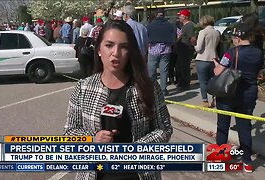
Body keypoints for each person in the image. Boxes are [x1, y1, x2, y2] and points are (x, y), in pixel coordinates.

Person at [64, 20, 172, 180]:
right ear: (99, 49)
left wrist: (136, 149)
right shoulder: (83, 87)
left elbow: (164, 129)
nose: (116, 53)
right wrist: (92, 141)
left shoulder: (148, 86)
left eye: (124, 47)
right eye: (109, 45)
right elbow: (69, 133)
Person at [213, 22, 264, 173]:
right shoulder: (258, 53)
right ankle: (247, 162)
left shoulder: (231, 52)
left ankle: (220, 158)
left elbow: (217, 72)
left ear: (238, 38)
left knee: (222, 128)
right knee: (245, 128)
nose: (233, 40)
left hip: (228, 95)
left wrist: (215, 63)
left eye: (234, 37)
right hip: (248, 95)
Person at [146, 8, 177, 96]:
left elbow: (146, 36)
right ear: (164, 15)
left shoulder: (150, 25)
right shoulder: (170, 25)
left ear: (156, 15)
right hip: (166, 49)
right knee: (164, 71)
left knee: (151, 71)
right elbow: (178, 33)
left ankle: (153, 90)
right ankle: (163, 90)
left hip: (153, 49)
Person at [194, 15, 220, 108]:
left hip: (202, 58)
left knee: (203, 81)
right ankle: (215, 99)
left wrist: (194, 45)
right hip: (214, 58)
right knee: (213, 80)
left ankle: (205, 101)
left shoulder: (203, 32)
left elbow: (199, 48)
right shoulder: (217, 32)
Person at [176, 9, 196, 91]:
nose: (179, 17)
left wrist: (192, 46)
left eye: (181, 15)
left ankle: (185, 84)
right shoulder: (184, 26)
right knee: (180, 66)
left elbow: (193, 38)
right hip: (181, 49)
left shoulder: (189, 26)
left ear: (186, 17)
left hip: (186, 50)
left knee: (184, 67)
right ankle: (182, 82)